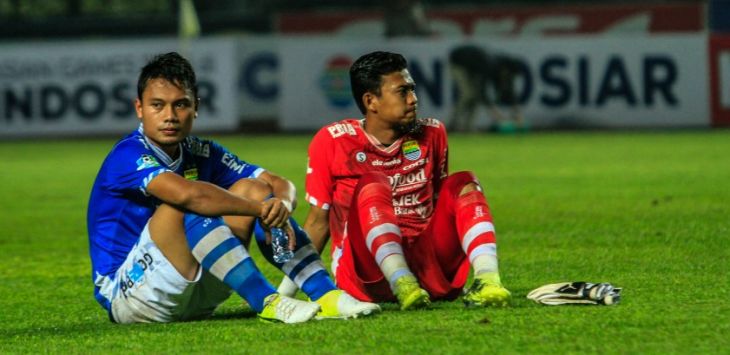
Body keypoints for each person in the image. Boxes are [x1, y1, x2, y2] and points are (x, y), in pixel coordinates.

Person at [87, 52, 379, 324]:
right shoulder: (127, 155)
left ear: (196, 107)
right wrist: (260, 209)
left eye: (181, 104)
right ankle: (268, 301)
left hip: (199, 289)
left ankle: (327, 295)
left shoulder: (200, 150)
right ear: (139, 108)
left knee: (255, 189)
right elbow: (190, 195)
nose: (170, 116)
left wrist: (281, 206)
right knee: (185, 202)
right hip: (131, 294)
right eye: (157, 105)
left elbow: (279, 184)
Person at [277, 51, 511, 310]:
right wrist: (283, 295)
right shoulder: (333, 141)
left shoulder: (432, 133)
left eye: (413, 90)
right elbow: (317, 223)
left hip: (427, 268)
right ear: (371, 101)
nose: (413, 100)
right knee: (374, 185)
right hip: (367, 275)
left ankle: (488, 280)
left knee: (464, 182)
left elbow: (439, 204)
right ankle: (402, 282)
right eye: (403, 92)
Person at [448, 44, 526, 133]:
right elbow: (482, 91)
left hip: (472, 67)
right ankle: (451, 124)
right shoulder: (490, 65)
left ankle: (468, 127)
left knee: (475, 97)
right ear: (505, 70)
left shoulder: (504, 70)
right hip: (458, 62)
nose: (508, 78)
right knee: (468, 94)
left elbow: (509, 91)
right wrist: (495, 113)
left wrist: (517, 113)